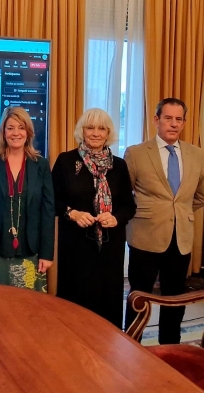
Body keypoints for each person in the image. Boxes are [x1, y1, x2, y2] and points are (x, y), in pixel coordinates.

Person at [123, 98, 204, 342]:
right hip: (145, 235)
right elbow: (125, 193)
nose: (173, 124)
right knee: (140, 296)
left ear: (184, 122)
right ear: (156, 120)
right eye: (168, 118)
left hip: (181, 236)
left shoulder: (195, 154)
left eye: (178, 119)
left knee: (175, 296)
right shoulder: (137, 153)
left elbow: (201, 195)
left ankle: (170, 345)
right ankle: (132, 344)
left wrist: (178, 212)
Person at [52, 109, 136, 329]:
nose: (96, 133)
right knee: (75, 306)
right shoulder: (66, 161)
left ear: (109, 133)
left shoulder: (119, 165)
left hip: (110, 247)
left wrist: (116, 218)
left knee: (107, 306)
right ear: (82, 131)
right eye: (90, 127)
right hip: (75, 247)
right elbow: (52, 200)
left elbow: (129, 206)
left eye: (102, 128)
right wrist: (72, 213)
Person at [0, 107, 54, 291]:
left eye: (21, 127)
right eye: (10, 128)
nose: (15, 133)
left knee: (29, 310)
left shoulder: (41, 164)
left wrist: (47, 253)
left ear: (28, 132)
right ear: (3, 132)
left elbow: (47, 212)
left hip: (31, 249)